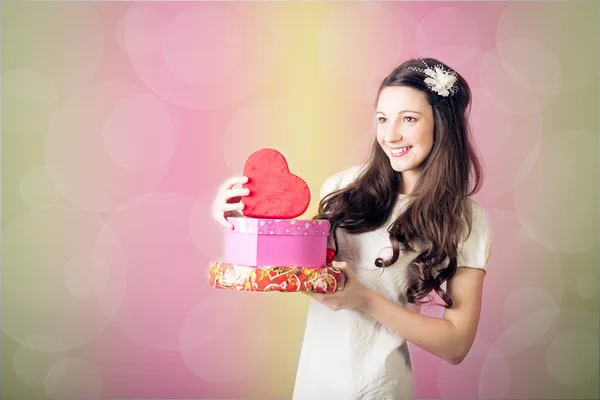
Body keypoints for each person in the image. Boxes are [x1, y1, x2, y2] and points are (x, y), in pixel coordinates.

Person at [211, 57, 492, 400]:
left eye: (408, 119)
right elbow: (297, 272)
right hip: (315, 382)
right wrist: (242, 222)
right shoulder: (344, 188)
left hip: (379, 388)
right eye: (382, 119)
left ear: (442, 124)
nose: (390, 135)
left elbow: (456, 345)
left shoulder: (464, 219)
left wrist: (364, 300)